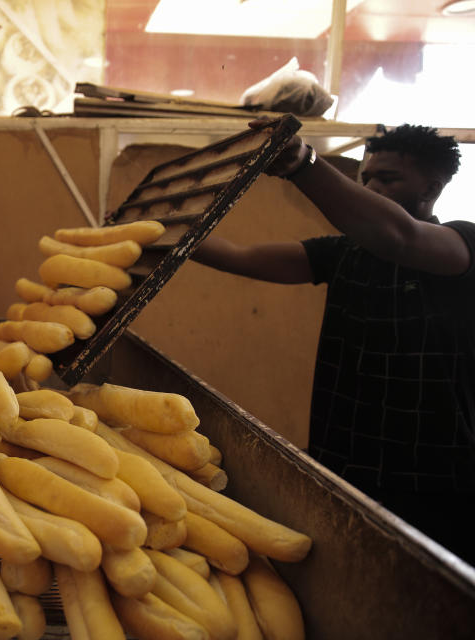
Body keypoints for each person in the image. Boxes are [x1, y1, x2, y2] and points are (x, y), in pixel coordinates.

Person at [192, 121, 475, 563]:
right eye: (366, 178)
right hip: (345, 469)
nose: (372, 186)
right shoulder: (342, 253)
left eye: (388, 178)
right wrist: (158, 232)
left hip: (435, 482)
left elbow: (399, 236)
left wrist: (303, 164)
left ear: (432, 187)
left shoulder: (462, 245)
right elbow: (238, 256)